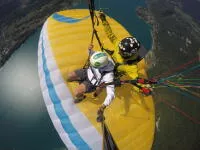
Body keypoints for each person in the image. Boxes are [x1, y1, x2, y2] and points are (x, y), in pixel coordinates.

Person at [99, 12, 155, 95]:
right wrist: (104, 20)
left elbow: (136, 81)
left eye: (121, 52)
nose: (119, 51)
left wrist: (143, 89)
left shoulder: (131, 67)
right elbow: (110, 34)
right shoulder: (118, 45)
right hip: (111, 63)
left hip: (113, 71)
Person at [67, 44, 115, 114]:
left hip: (91, 83)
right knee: (69, 76)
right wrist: (89, 49)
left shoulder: (109, 75)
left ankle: (81, 97)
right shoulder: (100, 57)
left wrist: (103, 106)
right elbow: (90, 53)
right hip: (87, 71)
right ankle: (79, 80)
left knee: (76, 92)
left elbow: (111, 94)